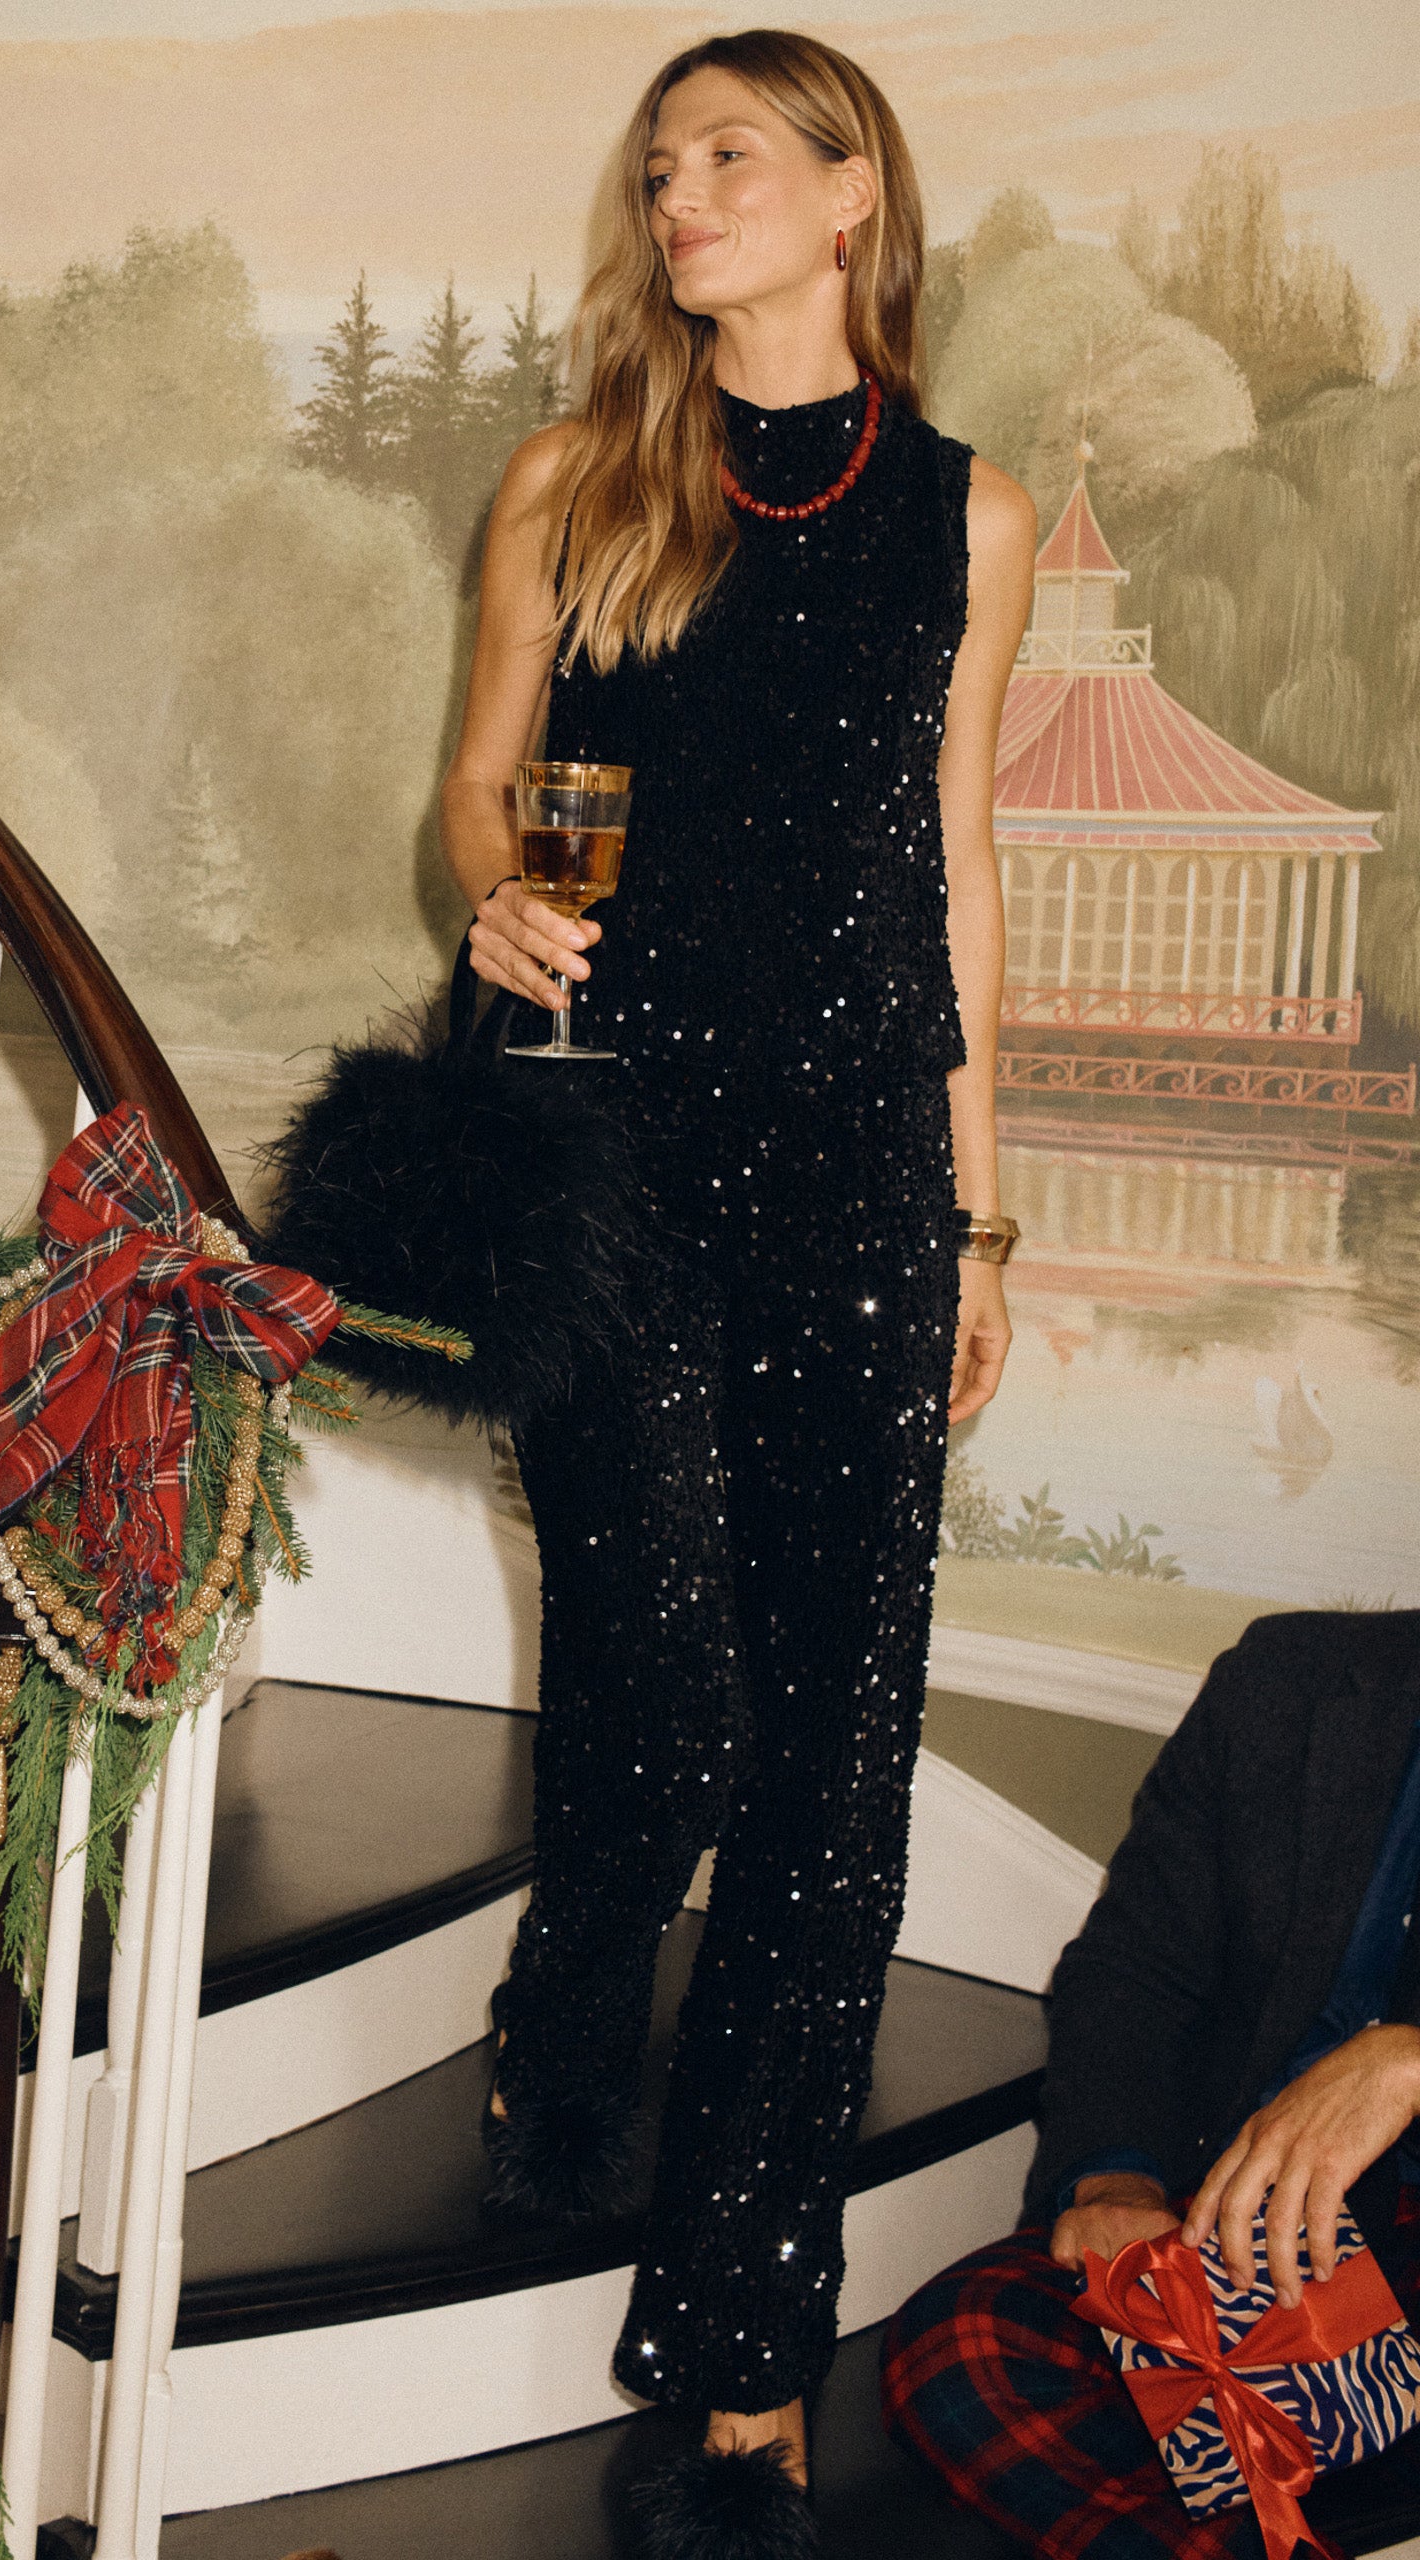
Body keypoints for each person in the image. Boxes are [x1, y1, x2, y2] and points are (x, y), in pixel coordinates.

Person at [438, 27, 1034, 2556]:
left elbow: (958, 872)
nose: (679, 195)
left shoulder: (972, 514)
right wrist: (490, 887)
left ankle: (743, 2341)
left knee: (833, 1752)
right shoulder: (575, 479)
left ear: (850, 190)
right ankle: (569, 2011)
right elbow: (478, 777)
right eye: (660, 163)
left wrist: (979, 1211)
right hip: (603, 1148)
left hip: (859, 1173)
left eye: (729, 156)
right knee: (661, 1685)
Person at [881, 1607, 1420, 2557]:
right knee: (962, 2348)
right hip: (1231, 2227)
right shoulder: (1291, 1677)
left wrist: (1408, 2061)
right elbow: (1132, 1967)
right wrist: (1113, 2179)